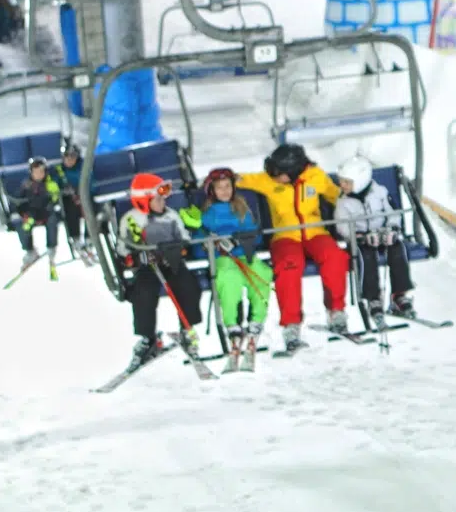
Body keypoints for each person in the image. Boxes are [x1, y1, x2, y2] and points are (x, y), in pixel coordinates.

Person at [239, 142, 348, 355]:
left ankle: (336, 311)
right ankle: (291, 325)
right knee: (288, 265)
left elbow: (337, 196)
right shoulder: (267, 180)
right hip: (286, 236)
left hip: (315, 232)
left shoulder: (316, 176)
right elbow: (242, 179)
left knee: (335, 256)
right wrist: (220, 179)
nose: (273, 176)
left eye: (279, 173)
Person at [118, 173, 205, 364]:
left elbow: (184, 238)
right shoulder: (131, 220)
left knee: (188, 287)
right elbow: (124, 249)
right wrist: (136, 256)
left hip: (171, 262)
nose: (163, 202)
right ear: (144, 201)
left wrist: (179, 248)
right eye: (157, 199)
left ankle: (186, 328)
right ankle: (148, 337)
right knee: (143, 293)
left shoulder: (171, 216)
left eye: (163, 198)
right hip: (148, 267)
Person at [191, 167, 272, 373]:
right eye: (220, 188)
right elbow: (199, 240)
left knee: (262, 273)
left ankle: (256, 322)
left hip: (245, 254)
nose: (225, 191)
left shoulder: (242, 208)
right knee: (229, 279)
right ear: (212, 191)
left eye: (228, 187)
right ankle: (232, 325)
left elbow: (256, 234)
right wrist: (212, 243)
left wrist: (241, 239)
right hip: (223, 259)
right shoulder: (207, 214)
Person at [335, 156, 414, 321]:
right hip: (361, 240)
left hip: (382, 234)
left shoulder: (380, 192)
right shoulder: (343, 202)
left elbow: (392, 212)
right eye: (341, 181)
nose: (342, 185)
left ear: (360, 182)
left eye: (347, 182)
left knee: (398, 248)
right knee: (365, 256)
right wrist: (356, 236)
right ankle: (373, 299)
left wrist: (392, 228)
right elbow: (341, 225)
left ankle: (399, 295)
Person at [10, 156, 64, 265]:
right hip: (31, 212)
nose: (39, 174)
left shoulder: (50, 183)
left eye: (41, 171)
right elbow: (16, 199)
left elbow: (56, 198)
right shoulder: (26, 185)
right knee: (25, 225)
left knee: (52, 221)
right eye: (36, 172)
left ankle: (51, 247)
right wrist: (16, 211)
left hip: (46, 211)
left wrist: (53, 203)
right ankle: (30, 250)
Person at [55, 141, 86, 251]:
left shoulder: (83, 167)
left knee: (89, 207)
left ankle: (89, 237)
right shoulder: (59, 170)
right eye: (66, 157)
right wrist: (63, 190)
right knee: (69, 208)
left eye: (72, 157)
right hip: (69, 198)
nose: (69, 160)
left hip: (84, 195)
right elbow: (54, 185)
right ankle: (75, 237)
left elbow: (91, 182)